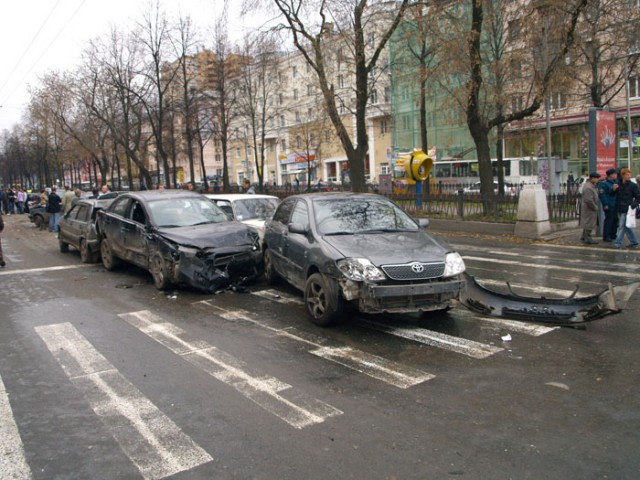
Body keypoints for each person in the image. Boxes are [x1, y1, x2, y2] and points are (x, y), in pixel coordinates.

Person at [614, 168, 640, 249]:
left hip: (627, 208)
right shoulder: (618, 184)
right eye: (627, 175)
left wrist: (633, 205)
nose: (629, 176)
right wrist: (613, 189)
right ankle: (634, 241)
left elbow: (638, 197)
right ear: (623, 175)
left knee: (621, 226)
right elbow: (613, 194)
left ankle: (618, 243)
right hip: (619, 207)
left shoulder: (633, 185)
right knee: (626, 226)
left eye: (630, 174)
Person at [579, 172, 601, 244]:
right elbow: (588, 200)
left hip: (589, 207)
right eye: (597, 178)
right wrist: (594, 207)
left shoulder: (592, 185)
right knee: (589, 222)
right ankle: (588, 238)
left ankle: (584, 236)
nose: (598, 180)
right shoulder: (588, 187)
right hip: (589, 208)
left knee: (588, 222)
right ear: (593, 178)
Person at [598, 168, 619, 242]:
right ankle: (607, 236)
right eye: (615, 174)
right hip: (609, 204)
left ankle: (613, 234)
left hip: (616, 204)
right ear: (611, 175)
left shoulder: (615, 182)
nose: (616, 175)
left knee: (615, 220)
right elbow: (602, 194)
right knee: (609, 220)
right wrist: (605, 204)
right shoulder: (603, 183)